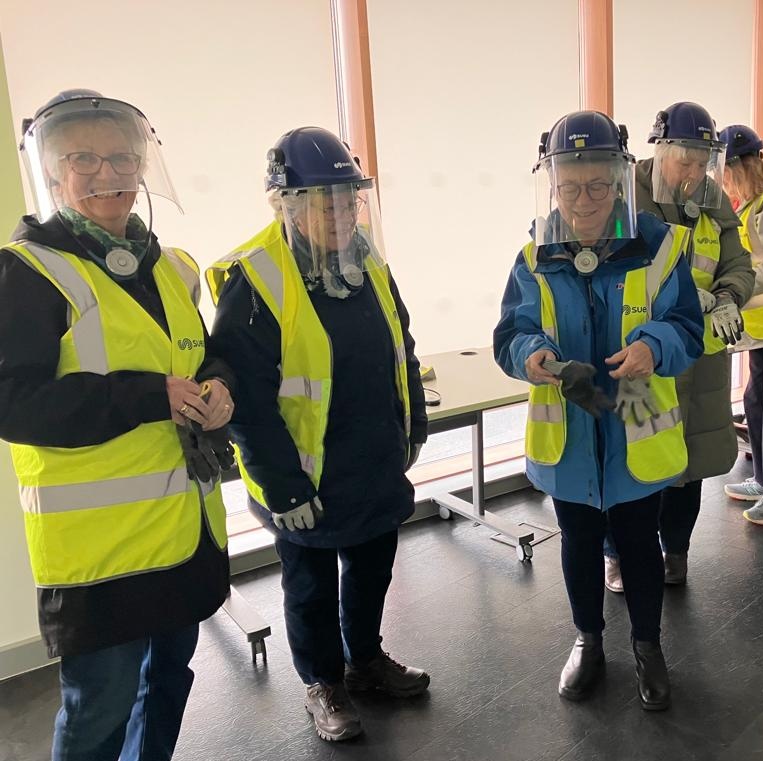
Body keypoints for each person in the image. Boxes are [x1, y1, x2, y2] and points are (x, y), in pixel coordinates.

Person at [0, 90, 234, 761]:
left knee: (167, 684)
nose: (107, 174)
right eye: (84, 159)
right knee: (100, 707)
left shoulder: (169, 265)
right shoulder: (27, 272)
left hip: (183, 529)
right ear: (53, 173)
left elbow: (199, 354)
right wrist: (144, 397)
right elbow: (13, 403)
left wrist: (222, 389)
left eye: (122, 159)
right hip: (101, 555)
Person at [208, 126, 430, 742]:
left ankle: (365, 661)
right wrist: (283, 487)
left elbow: (402, 347)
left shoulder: (366, 259)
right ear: (285, 204)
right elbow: (247, 401)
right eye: (322, 202)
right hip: (303, 475)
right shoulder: (257, 278)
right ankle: (323, 683)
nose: (339, 214)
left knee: (372, 570)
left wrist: (414, 424)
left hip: (372, 460)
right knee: (308, 587)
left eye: (347, 199)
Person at [494, 110, 704, 710]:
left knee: (639, 542)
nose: (583, 202)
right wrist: (532, 355)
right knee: (579, 541)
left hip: (637, 420)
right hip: (569, 429)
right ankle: (588, 641)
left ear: (619, 182)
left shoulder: (659, 246)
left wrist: (653, 346)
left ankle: (648, 647)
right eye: (569, 188)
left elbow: (687, 327)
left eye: (597, 187)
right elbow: (511, 334)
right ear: (552, 186)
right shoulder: (534, 255)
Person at [615, 102, 754, 585]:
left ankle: (676, 552)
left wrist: (728, 296)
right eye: (685, 161)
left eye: (702, 163)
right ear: (660, 150)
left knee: (688, 463)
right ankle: (619, 556)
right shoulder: (625, 192)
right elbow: (614, 266)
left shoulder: (712, 198)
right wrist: (680, 295)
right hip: (640, 354)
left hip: (700, 356)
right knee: (632, 460)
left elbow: (738, 263)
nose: (694, 173)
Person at [719, 125, 763, 525]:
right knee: (755, 402)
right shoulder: (747, 208)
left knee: (758, 403)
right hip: (756, 330)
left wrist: (735, 287)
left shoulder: (760, 211)